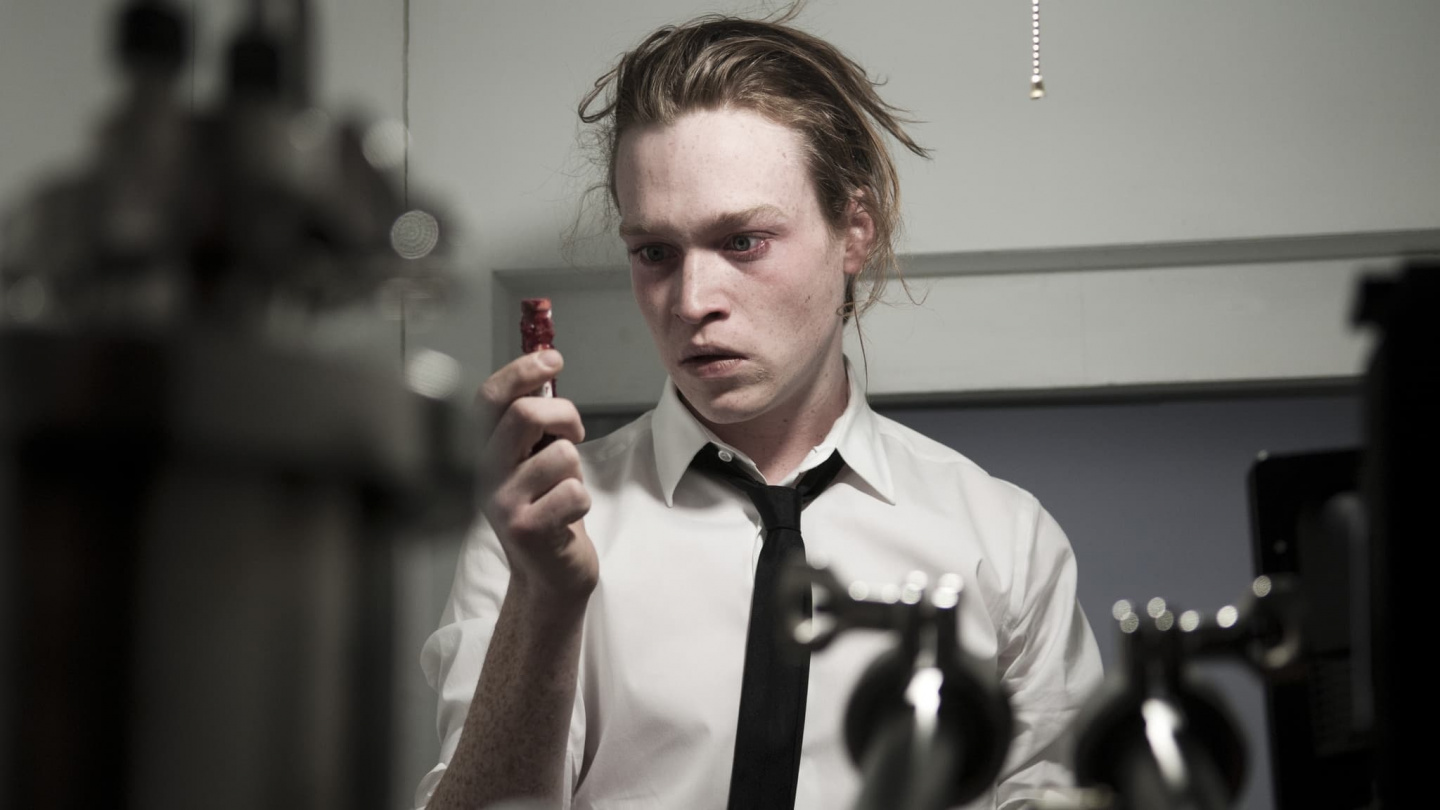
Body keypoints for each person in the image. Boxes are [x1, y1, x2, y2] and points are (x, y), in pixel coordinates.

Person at [416, 10, 1102, 810]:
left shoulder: (1003, 545)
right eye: (654, 253)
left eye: (742, 241)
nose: (692, 301)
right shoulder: (540, 533)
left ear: (854, 232)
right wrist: (547, 601)